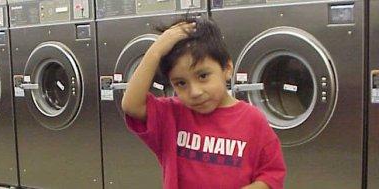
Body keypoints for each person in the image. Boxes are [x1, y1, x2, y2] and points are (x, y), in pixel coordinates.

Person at [121, 16, 286, 189]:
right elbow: (131, 105)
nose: (195, 92)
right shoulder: (171, 116)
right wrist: (156, 51)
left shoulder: (253, 120)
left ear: (227, 69)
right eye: (181, 83)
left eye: (203, 76)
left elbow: (271, 175)